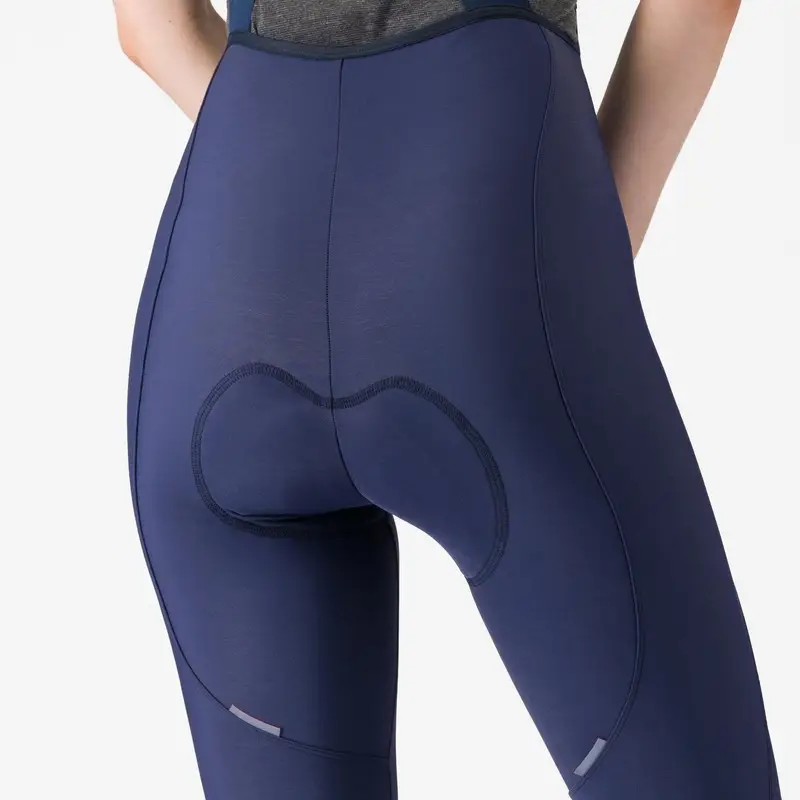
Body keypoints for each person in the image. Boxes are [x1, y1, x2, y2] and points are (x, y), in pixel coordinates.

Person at [114, 1, 782, 798]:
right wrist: (569, 247)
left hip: (219, 309)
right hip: (483, 248)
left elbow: (147, 26)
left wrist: (297, 163)